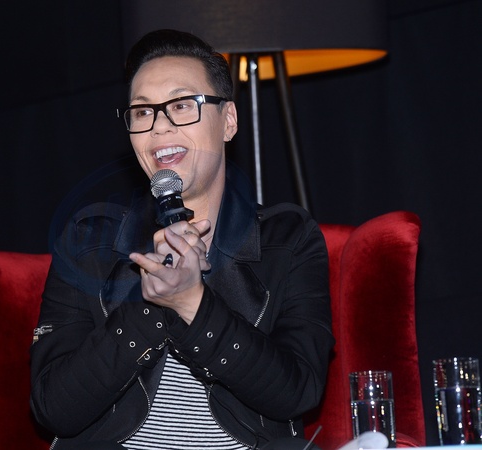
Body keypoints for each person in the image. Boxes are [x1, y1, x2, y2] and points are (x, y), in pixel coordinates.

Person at [30, 29, 334, 450]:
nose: (159, 127)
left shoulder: (288, 239)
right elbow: (53, 408)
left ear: (228, 121)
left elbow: (297, 392)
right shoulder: (89, 241)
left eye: (181, 105)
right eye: (142, 112)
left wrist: (194, 304)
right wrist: (150, 307)